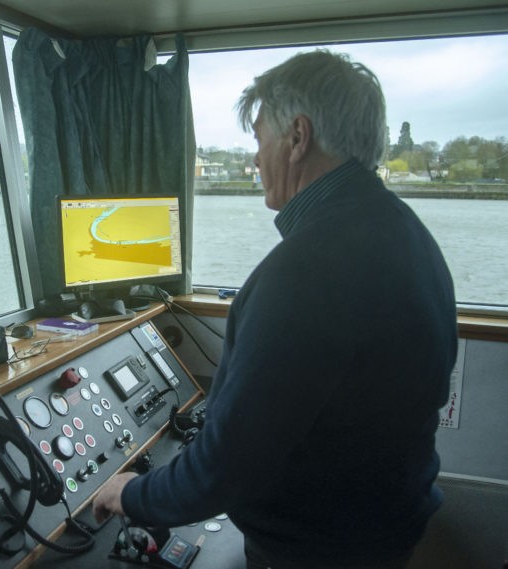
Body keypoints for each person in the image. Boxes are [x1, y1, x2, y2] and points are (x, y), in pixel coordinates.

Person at [92, 50, 458, 569]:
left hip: (317, 550)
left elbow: (220, 473)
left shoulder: (306, 273)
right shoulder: (409, 234)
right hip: (382, 528)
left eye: (259, 140)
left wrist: (129, 492)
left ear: (297, 138)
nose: (256, 160)